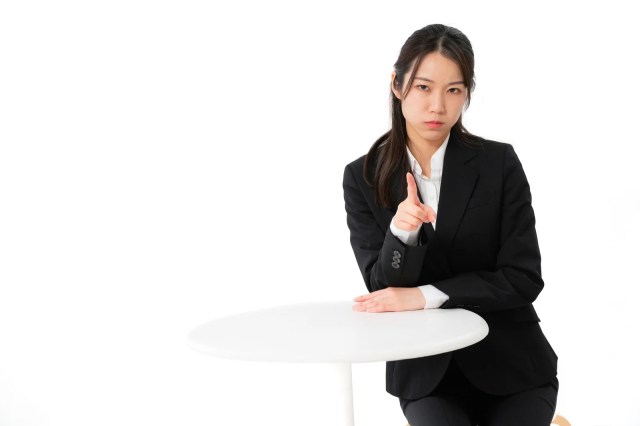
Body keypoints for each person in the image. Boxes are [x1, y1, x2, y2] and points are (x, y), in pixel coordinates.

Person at [342, 24, 558, 425]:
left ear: (467, 94)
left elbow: (523, 277)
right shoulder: (363, 176)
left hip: (513, 365)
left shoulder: (499, 164)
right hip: (427, 375)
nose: (437, 106)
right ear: (397, 84)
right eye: (424, 87)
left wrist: (426, 294)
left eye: (454, 90)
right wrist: (401, 234)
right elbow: (380, 289)